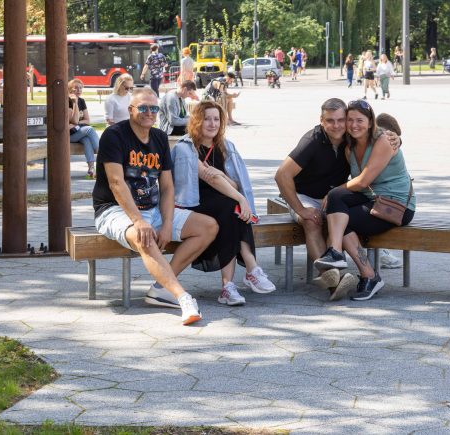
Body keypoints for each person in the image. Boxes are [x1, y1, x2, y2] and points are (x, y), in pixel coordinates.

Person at [92, 88, 218, 325]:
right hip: (114, 210)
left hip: (152, 208)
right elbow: (116, 183)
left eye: (154, 108)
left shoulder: (159, 137)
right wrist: (139, 220)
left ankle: (161, 288)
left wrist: (168, 222)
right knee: (144, 237)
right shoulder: (114, 135)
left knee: (208, 226)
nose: (149, 113)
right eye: (143, 108)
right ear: (130, 110)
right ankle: (183, 297)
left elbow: (168, 186)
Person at [274, 99, 401, 299]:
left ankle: (357, 268)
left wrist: (396, 138)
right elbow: (282, 174)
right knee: (312, 221)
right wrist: (300, 209)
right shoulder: (312, 141)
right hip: (305, 195)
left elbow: (379, 140)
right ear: (321, 121)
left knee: (341, 218)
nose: (337, 126)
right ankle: (333, 280)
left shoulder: (351, 137)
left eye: (341, 120)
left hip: (335, 197)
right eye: (330, 121)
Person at [172, 101, 275, 307]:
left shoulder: (226, 147)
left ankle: (230, 287)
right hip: (193, 203)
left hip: (223, 203)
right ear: (197, 121)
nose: (212, 123)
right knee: (232, 207)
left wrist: (223, 177)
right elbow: (208, 178)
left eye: (217, 119)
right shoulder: (187, 147)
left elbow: (235, 182)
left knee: (231, 211)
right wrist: (241, 198)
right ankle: (250, 270)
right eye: (207, 118)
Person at [315, 99, 415, 301]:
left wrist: (331, 193)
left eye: (359, 120)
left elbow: (363, 181)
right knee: (337, 203)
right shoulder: (349, 146)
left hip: (396, 206)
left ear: (370, 122)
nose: (354, 125)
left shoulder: (384, 140)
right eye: (350, 120)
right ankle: (336, 254)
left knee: (339, 214)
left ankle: (367, 275)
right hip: (372, 199)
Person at [68, 79, 100, 178]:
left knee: (86, 140)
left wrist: (78, 124)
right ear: (70, 89)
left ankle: (91, 169)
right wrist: (75, 103)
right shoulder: (68, 100)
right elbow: (73, 120)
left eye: (81, 88)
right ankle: (102, 153)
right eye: (76, 88)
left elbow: (87, 120)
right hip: (69, 135)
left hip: (79, 132)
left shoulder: (82, 100)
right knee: (89, 129)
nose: (79, 90)